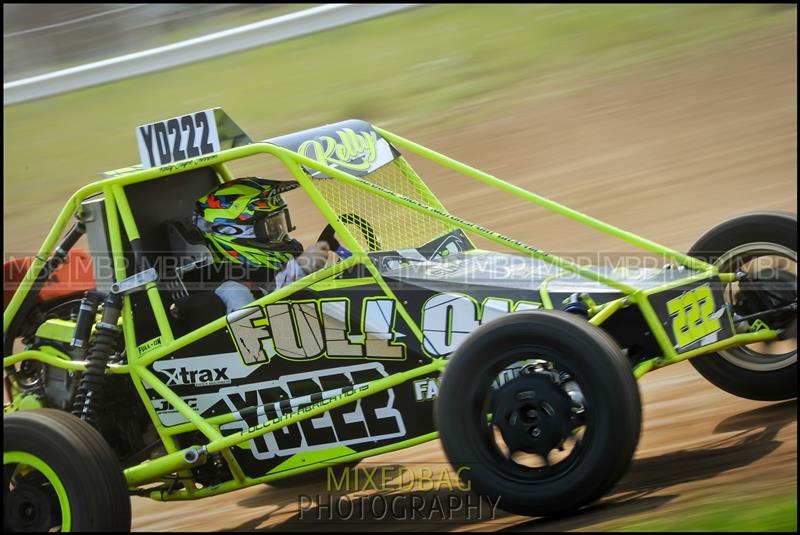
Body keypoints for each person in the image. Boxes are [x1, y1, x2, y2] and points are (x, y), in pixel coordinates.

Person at [190, 177, 333, 314]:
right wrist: (300, 269)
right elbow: (263, 327)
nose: (281, 235)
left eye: (280, 225)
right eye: (271, 229)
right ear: (230, 232)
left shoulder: (265, 274)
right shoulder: (232, 291)